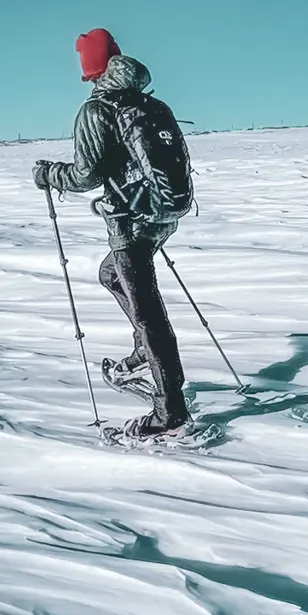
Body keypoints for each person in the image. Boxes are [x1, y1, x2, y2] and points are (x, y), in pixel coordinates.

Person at [34, 29, 194, 437]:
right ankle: (145, 350)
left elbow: (87, 175)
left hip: (130, 221)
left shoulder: (97, 109)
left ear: (88, 66)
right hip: (163, 214)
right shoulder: (150, 102)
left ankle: (170, 412)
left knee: (149, 313)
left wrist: (50, 174)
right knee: (111, 276)